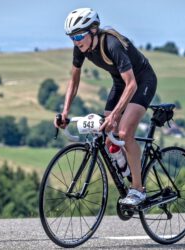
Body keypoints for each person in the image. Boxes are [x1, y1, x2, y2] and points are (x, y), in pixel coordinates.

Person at [55, 7, 157, 206]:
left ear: (93, 30)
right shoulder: (81, 47)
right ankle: (126, 169)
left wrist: (116, 115)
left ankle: (138, 189)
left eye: (79, 36)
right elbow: (74, 80)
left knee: (125, 132)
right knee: (105, 129)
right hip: (121, 84)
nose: (76, 42)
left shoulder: (111, 44)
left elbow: (132, 84)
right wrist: (65, 111)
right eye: (72, 38)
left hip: (142, 81)